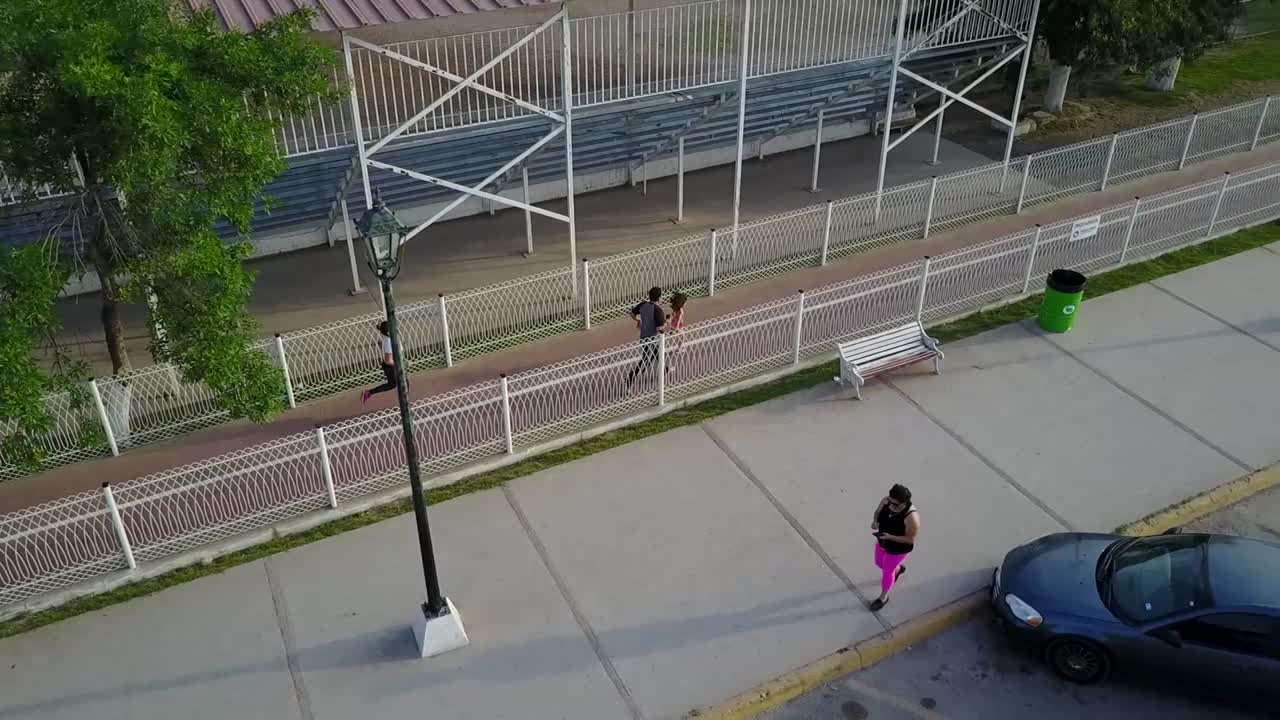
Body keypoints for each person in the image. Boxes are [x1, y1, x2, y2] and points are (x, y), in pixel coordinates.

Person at [869, 484, 919, 611]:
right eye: (890, 501)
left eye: (895, 504)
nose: (891, 505)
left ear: (904, 503)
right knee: (878, 562)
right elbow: (878, 511)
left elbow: (910, 539)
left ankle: (883, 597)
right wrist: (875, 521)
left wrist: (890, 537)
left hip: (898, 548)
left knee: (887, 571)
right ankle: (897, 569)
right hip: (883, 540)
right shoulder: (887, 501)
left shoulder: (911, 517)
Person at [626, 286, 665, 387]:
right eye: (661, 297)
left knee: (657, 355)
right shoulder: (658, 311)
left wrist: (638, 320)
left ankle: (665, 370)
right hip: (653, 339)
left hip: (643, 337)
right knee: (646, 359)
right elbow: (660, 329)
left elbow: (631, 313)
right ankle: (631, 376)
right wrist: (668, 324)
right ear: (659, 298)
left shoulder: (643, 305)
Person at [361, 321, 397, 403]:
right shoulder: (388, 342)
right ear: (388, 332)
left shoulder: (390, 336)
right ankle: (368, 393)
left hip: (392, 365)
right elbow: (388, 361)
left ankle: (368, 393)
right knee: (396, 383)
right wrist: (399, 364)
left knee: (397, 383)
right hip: (391, 366)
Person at [665, 291, 688, 377]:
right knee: (682, 336)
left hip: (673, 325)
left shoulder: (675, 309)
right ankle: (678, 348)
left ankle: (679, 347)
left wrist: (671, 323)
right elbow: (678, 320)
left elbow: (673, 316)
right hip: (677, 326)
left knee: (678, 338)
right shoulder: (680, 311)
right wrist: (677, 328)